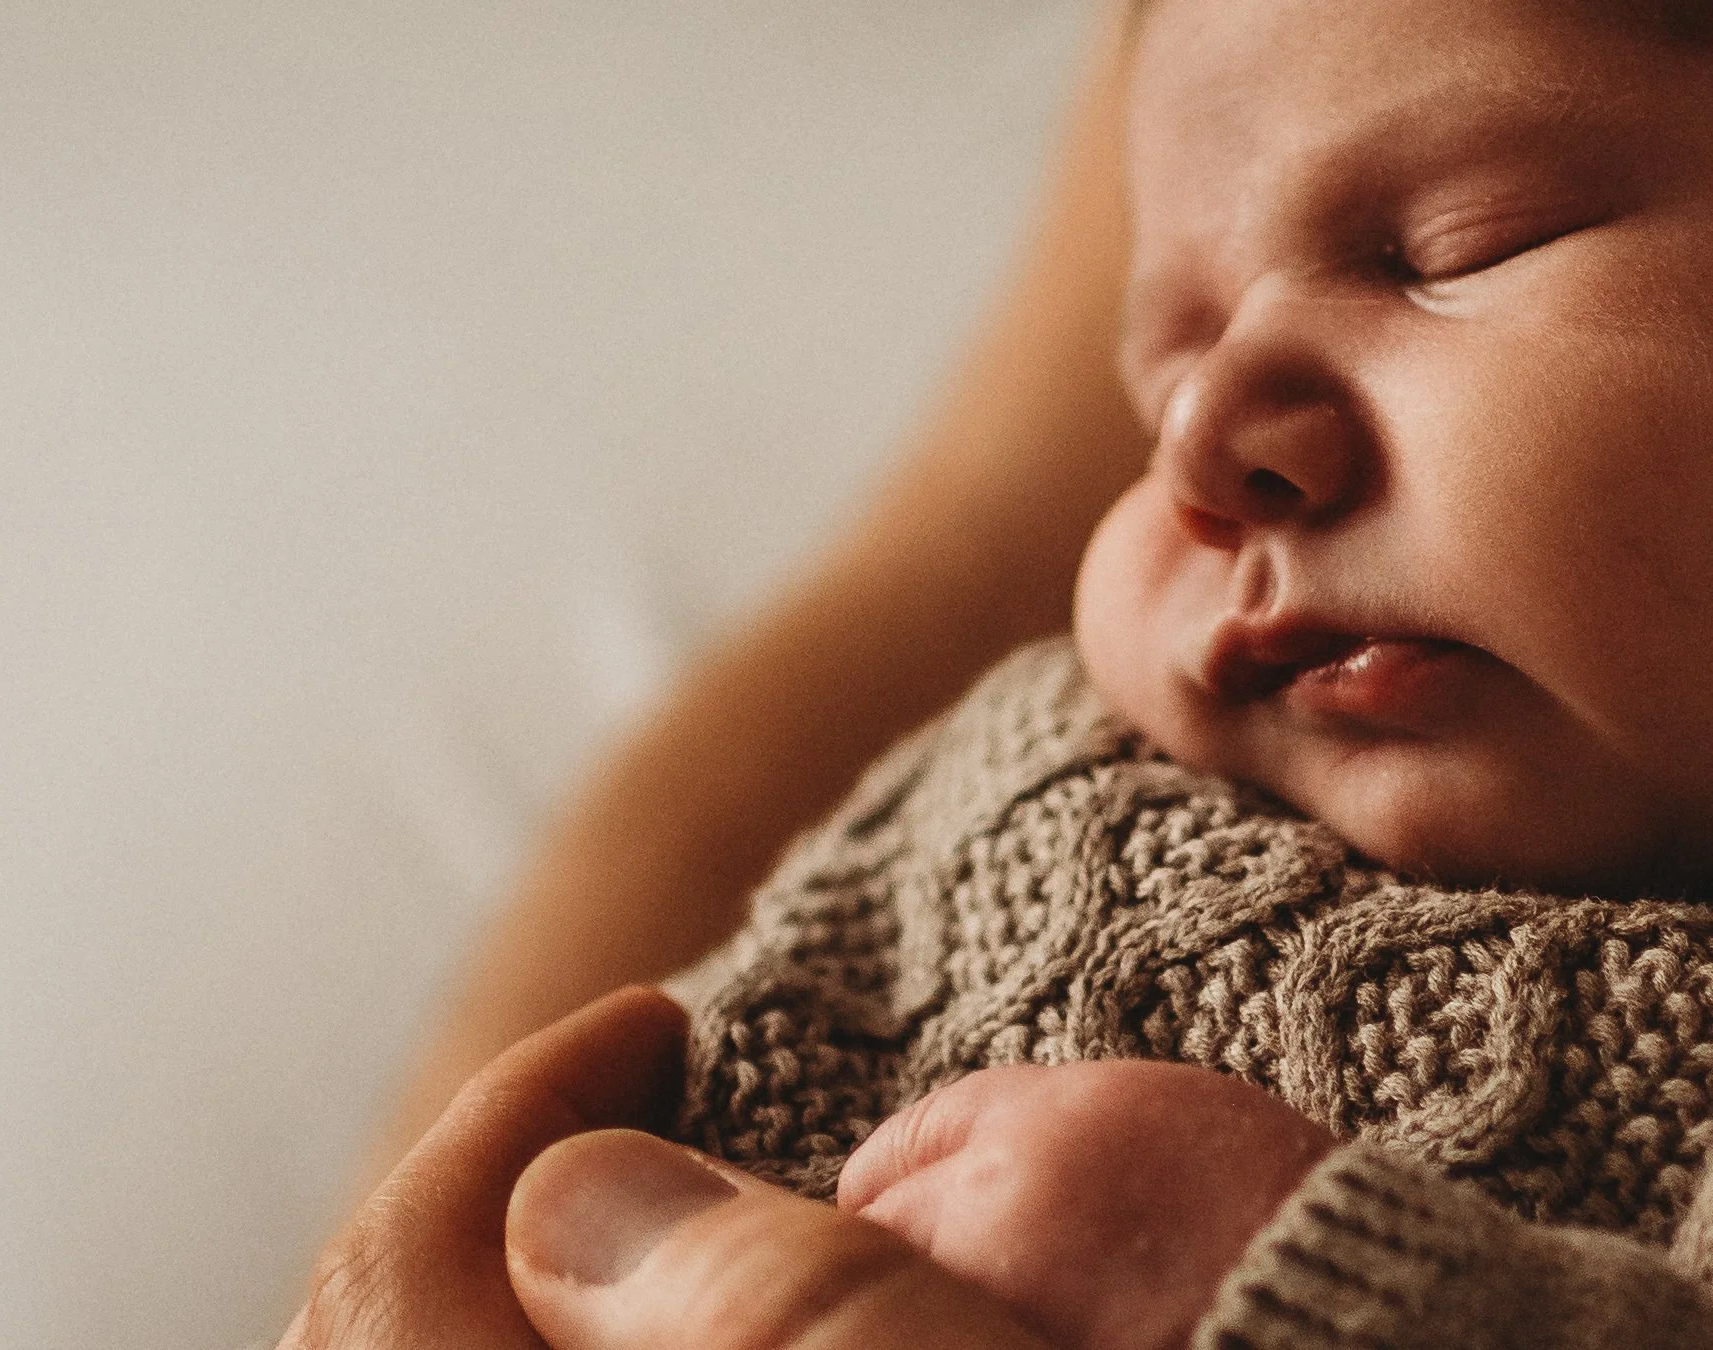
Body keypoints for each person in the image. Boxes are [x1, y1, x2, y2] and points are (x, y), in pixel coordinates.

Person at [289, 0, 1713, 1347]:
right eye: (1158, 380)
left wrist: (1297, 1278)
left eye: (1455, 249)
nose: (1206, 434)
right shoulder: (1038, 780)